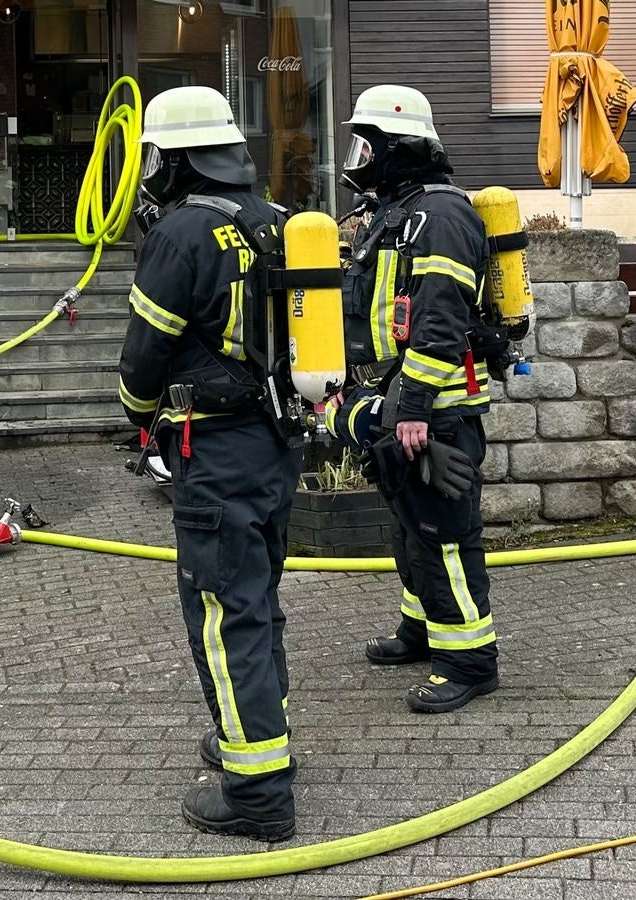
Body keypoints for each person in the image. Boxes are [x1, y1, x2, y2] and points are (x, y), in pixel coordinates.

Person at [117, 85, 300, 842]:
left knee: (226, 615)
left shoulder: (184, 231)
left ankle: (257, 792)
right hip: (275, 446)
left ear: (176, 157)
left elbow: (144, 353)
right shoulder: (281, 222)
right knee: (260, 600)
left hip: (214, 450)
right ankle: (261, 741)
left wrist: (135, 417)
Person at [329, 84, 499, 714]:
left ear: (398, 148)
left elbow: (439, 321)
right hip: (402, 405)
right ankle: (424, 630)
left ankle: (470, 661)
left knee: (443, 534)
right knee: (410, 528)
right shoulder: (398, 213)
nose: (358, 156)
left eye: (365, 143)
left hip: (435, 412)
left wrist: (415, 409)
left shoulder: (441, 216)